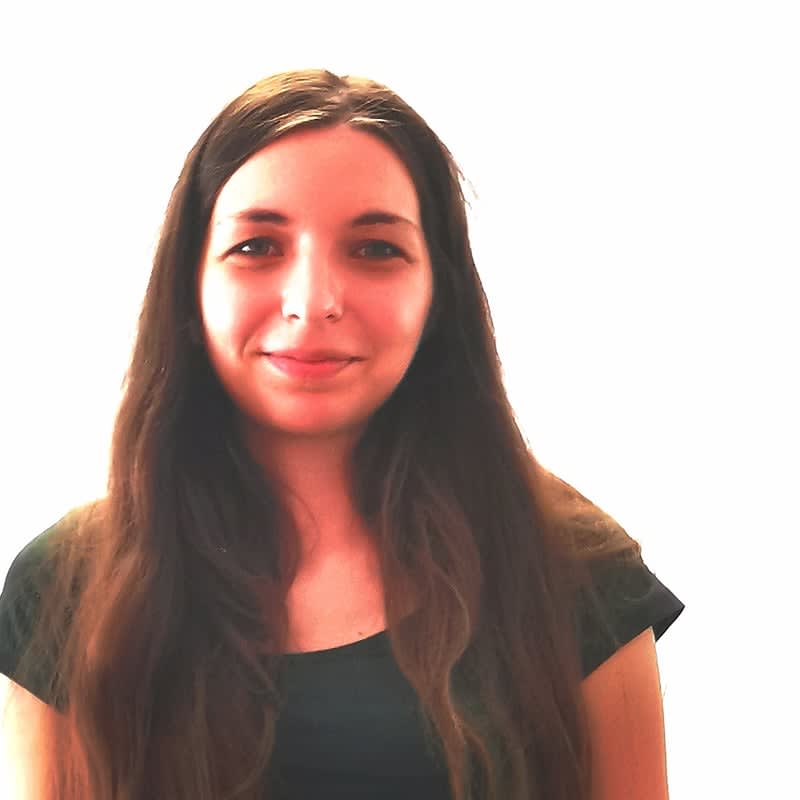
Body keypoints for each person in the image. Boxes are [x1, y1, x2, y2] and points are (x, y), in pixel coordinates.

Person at [0, 68, 684, 800]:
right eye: (256, 247)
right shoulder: (65, 585)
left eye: (375, 249)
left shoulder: (576, 569)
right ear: (189, 287)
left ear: (439, 293)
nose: (313, 301)